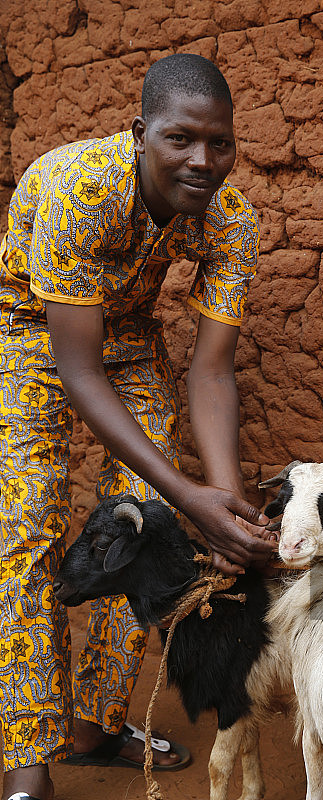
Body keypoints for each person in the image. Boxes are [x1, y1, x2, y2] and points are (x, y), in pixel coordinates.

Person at [0, 53, 276, 800]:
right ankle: (28, 760)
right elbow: (76, 370)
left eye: (219, 142)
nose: (203, 160)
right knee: (26, 526)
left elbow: (211, 370)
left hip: (125, 336)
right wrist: (192, 495)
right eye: (181, 139)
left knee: (154, 524)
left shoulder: (232, 219)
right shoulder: (79, 192)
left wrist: (221, 508)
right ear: (140, 133)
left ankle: (95, 725)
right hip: (31, 336)